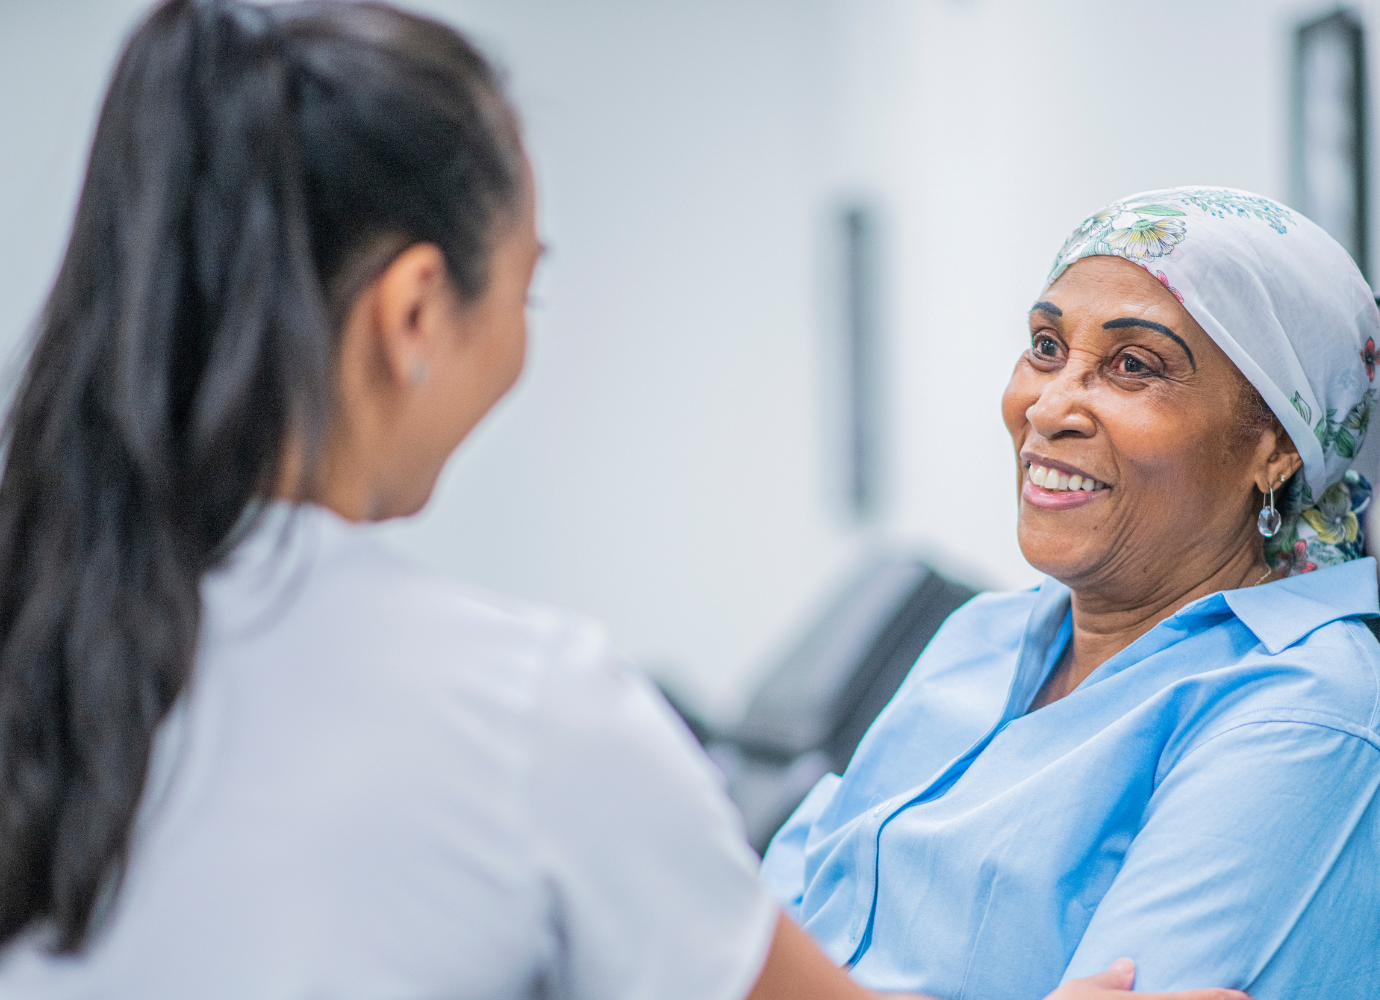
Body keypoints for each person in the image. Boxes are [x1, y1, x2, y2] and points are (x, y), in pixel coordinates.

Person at [0, 6, 1249, 1000]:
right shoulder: (519, 713)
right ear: (416, 312)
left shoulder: (45, 621)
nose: (1056, 404)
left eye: (1129, 365)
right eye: (525, 291)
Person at [762, 187, 1380, 1000]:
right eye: (1045, 346)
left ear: (1274, 444)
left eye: (1134, 366)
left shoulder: (1299, 721)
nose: (1051, 404)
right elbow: (743, 948)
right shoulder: (981, 639)